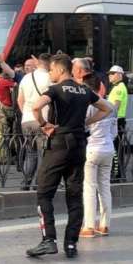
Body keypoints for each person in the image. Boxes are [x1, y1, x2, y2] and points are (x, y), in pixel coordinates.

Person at [26, 54, 112, 259]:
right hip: (79, 144)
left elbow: (36, 106)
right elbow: (107, 108)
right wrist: (87, 122)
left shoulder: (55, 89)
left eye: (52, 70)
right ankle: (71, 244)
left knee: (44, 193)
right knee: (74, 195)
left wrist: (45, 125)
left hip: (58, 144)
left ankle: (49, 240)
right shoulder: (84, 90)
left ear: (60, 69)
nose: (50, 74)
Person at [80, 76, 117, 238]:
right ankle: (104, 225)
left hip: (91, 149)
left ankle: (88, 226)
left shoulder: (87, 105)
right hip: (108, 149)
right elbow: (114, 132)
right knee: (105, 187)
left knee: (89, 187)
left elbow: (83, 128)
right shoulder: (110, 105)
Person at [18, 53, 51, 190]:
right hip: (42, 120)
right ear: (48, 64)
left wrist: (26, 113)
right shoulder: (49, 78)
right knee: (43, 153)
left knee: (30, 153)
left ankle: (26, 183)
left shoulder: (26, 78)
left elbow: (20, 100)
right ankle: (39, 183)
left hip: (26, 120)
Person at [0, 65, 17, 163]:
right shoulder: (6, 82)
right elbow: (16, 85)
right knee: (4, 133)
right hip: (4, 110)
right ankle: (3, 157)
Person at [106, 65, 128, 182]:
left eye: (112, 73)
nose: (110, 75)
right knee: (116, 148)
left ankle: (116, 174)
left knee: (115, 148)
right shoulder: (118, 87)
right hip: (117, 120)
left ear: (119, 75)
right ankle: (117, 173)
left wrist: (105, 117)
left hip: (116, 121)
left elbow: (115, 106)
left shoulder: (119, 88)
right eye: (109, 73)